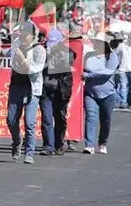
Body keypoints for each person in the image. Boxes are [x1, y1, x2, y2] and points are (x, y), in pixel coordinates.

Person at [7, 21, 46, 164]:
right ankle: (17, 141)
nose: (23, 37)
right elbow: (10, 61)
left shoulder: (39, 50)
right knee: (11, 120)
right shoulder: (16, 43)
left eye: (26, 34)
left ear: (33, 35)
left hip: (32, 88)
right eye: (21, 34)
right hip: (16, 85)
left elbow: (34, 69)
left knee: (30, 122)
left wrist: (23, 59)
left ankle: (29, 153)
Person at [83, 32, 119, 154]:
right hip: (90, 93)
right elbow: (82, 68)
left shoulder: (112, 57)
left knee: (106, 120)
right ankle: (89, 144)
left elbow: (107, 72)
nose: (97, 45)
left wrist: (88, 75)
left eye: (100, 43)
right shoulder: (88, 56)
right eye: (96, 42)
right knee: (90, 117)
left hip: (108, 94)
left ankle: (102, 142)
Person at [41, 28, 75, 156]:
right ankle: (47, 146)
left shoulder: (68, 53)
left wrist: (54, 56)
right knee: (47, 118)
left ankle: (59, 144)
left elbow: (65, 65)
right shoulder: (42, 51)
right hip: (45, 90)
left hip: (61, 91)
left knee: (60, 118)